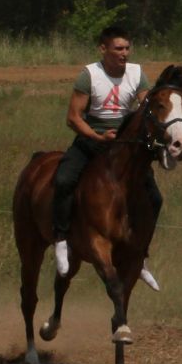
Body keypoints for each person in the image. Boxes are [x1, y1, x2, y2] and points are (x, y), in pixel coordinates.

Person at [51, 24, 162, 289]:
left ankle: (141, 256)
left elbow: (147, 108)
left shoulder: (137, 74)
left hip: (124, 144)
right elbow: (73, 117)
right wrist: (97, 137)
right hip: (93, 139)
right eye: (118, 49)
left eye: (127, 48)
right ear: (104, 49)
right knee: (64, 180)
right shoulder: (89, 75)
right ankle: (61, 239)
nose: (124, 54)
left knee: (154, 197)